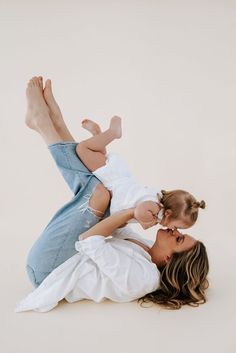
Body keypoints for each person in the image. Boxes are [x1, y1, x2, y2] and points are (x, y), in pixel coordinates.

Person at [16, 76, 209, 312]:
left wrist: (130, 211)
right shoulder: (146, 248)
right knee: (105, 192)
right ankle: (53, 124)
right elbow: (114, 225)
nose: (175, 230)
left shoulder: (143, 278)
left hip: (49, 270)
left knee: (100, 195)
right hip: (66, 257)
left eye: (178, 238)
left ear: (170, 259)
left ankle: (46, 125)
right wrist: (134, 213)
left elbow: (89, 240)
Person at [76, 117, 206, 230]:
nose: (174, 230)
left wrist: (123, 222)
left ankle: (97, 134)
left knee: (98, 154)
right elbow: (138, 211)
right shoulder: (154, 209)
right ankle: (112, 133)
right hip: (113, 178)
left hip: (118, 181)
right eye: (177, 227)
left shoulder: (156, 207)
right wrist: (144, 223)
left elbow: (128, 213)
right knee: (82, 149)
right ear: (168, 214)